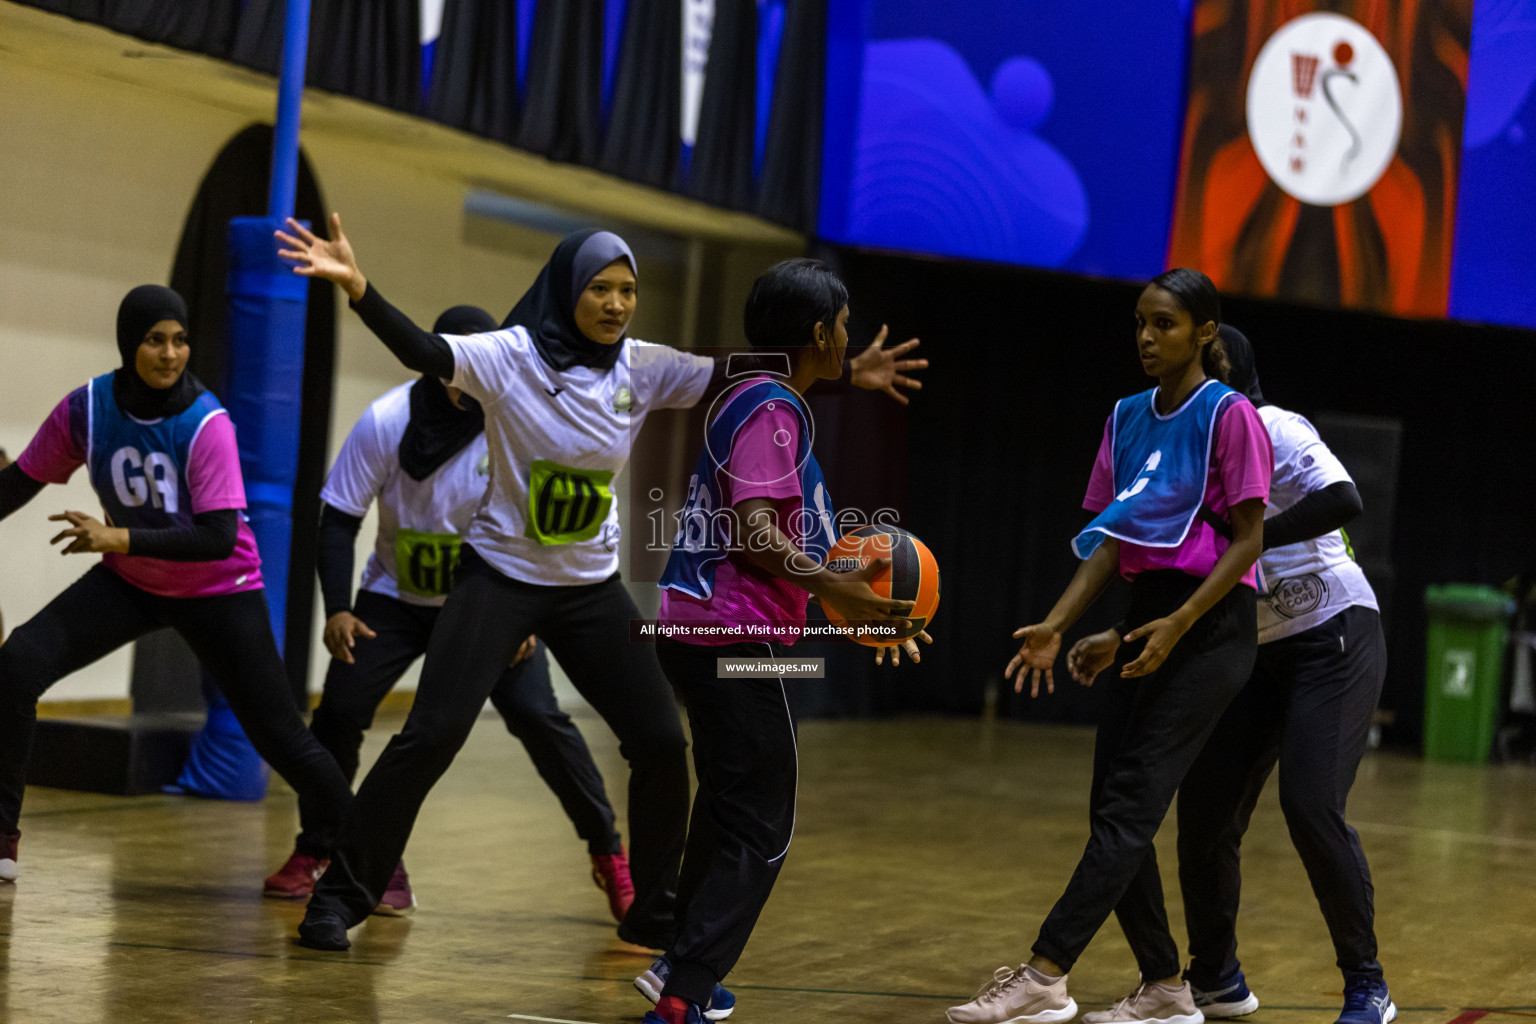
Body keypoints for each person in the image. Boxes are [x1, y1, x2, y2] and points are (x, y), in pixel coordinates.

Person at [274, 215, 924, 951]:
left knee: (655, 740)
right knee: (431, 735)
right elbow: (424, 349)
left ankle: (652, 908)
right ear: (566, 291)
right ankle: (340, 897)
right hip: (502, 578)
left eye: (628, 291)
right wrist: (359, 289)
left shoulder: (642, 366)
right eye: (601, 289)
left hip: (588, 587)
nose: (617, 304)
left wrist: (844, 373)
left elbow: (743, 371)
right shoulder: (510, 357)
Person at [948, 269, 1273, 1024]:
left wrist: (1179, 624)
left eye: (1163, 324)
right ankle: (1164, 984)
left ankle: (1045, 971)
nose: (1147, 339)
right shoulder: (1126, 416)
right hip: (1150, 617)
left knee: (1131, 806)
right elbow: (1110, 546)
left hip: (1214, 624)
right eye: (1139, 324)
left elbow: (1250, 540)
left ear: (1203, 334)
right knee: (1110, 808)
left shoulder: (1230, 417)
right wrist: (1059, 624)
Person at [262, 304, 637, 923]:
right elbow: (339, 518)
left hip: (494, 600)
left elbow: (551, 530)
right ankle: (324, 846)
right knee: (340, 712)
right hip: (395, 600)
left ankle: (609, 852)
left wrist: (530, 618)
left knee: (540, 719)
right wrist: (338, 609)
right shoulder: (387, 420)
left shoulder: (519, 422)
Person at [638, 259, 931, 1024]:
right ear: (820, 333)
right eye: (842, 324)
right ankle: (684, 994)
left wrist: (865, 614)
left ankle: (680, 962)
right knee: (765, 822)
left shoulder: (759, 401)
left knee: (729, 804)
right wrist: (844, 592)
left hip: (695, 625)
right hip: (736, 634)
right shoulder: (772, 409)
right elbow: (757, 532)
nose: (848, 336)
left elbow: (802, 544)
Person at [0, 285, 352, 887]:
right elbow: (17, 486)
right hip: (134, 582)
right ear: (128, 343)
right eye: (155, 340)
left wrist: (120, 541)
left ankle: (375, 854)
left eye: (180, 339)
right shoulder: (87, 409)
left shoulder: (203, 421)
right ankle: (3, 839)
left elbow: (216, 537)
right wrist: (125, 550)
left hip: (219, 588)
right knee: (16, 666)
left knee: (282, 737)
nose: (170, 354)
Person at [1167, 326, 1392, 1024]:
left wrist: (1247, 538)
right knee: (1204, 815)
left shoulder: (1271, 426)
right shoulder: (1197, 456)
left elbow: (1343, 498)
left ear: (1223, 368)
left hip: (1334, 632)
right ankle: (1217, 979)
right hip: (1258, 651)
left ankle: (1368, 985)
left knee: (1310, 803)